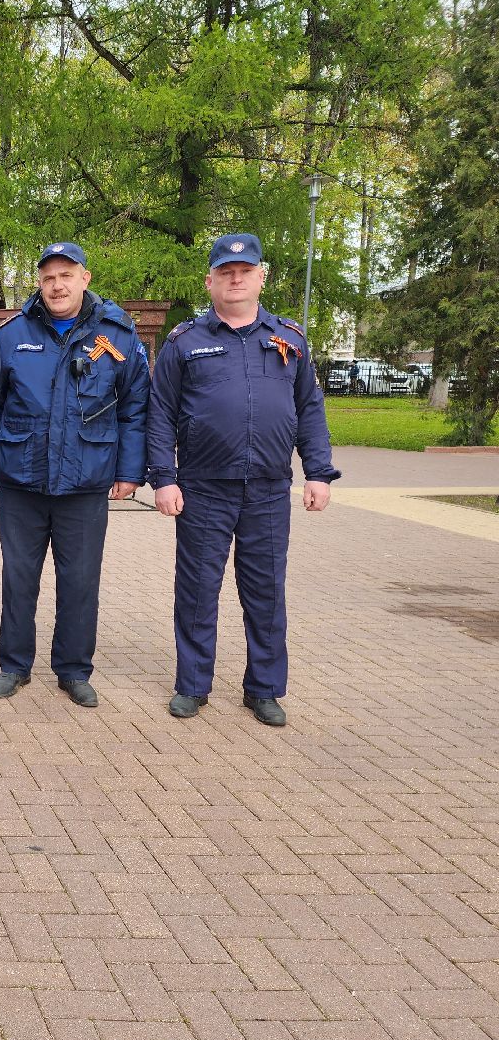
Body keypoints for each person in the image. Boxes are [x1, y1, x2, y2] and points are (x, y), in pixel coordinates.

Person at [147, 233, 340, 727]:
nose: (236, 279)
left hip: (269, 490)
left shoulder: (289, 341)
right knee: (196, 591)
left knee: (265, 592)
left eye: (245, 271)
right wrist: (163, 479)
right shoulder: (185, 343)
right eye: (226, 273)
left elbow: (310, 410)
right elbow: (161, 414)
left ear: (261, 276)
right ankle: (192, 685)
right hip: (203, 488)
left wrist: (318, 472)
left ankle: (265, 688)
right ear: (210, 280)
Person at [0, 242, 150, 708]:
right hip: (21, 479)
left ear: (85, 278)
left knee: (80, 580)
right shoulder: (12, 335)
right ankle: (14, 665)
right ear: (39, 282)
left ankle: (73, 670)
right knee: (19, 578)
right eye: (48, 277)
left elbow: (135, 408)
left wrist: (130, 470)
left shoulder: (118, 335)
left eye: (66, 275)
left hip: (85, 482)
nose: (57, 285)